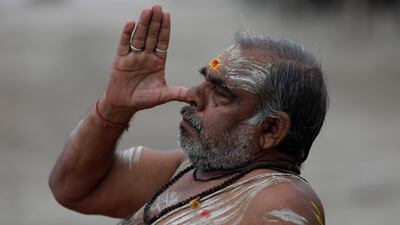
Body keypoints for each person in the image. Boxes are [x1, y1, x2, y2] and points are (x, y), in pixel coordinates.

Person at [49, 4, 327, 225]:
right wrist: (115, 106)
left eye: (220, 92)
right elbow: (71, 186)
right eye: (204, 80)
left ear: (270, 130)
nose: (192, 95)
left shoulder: (282, 199)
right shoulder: (187, 170)